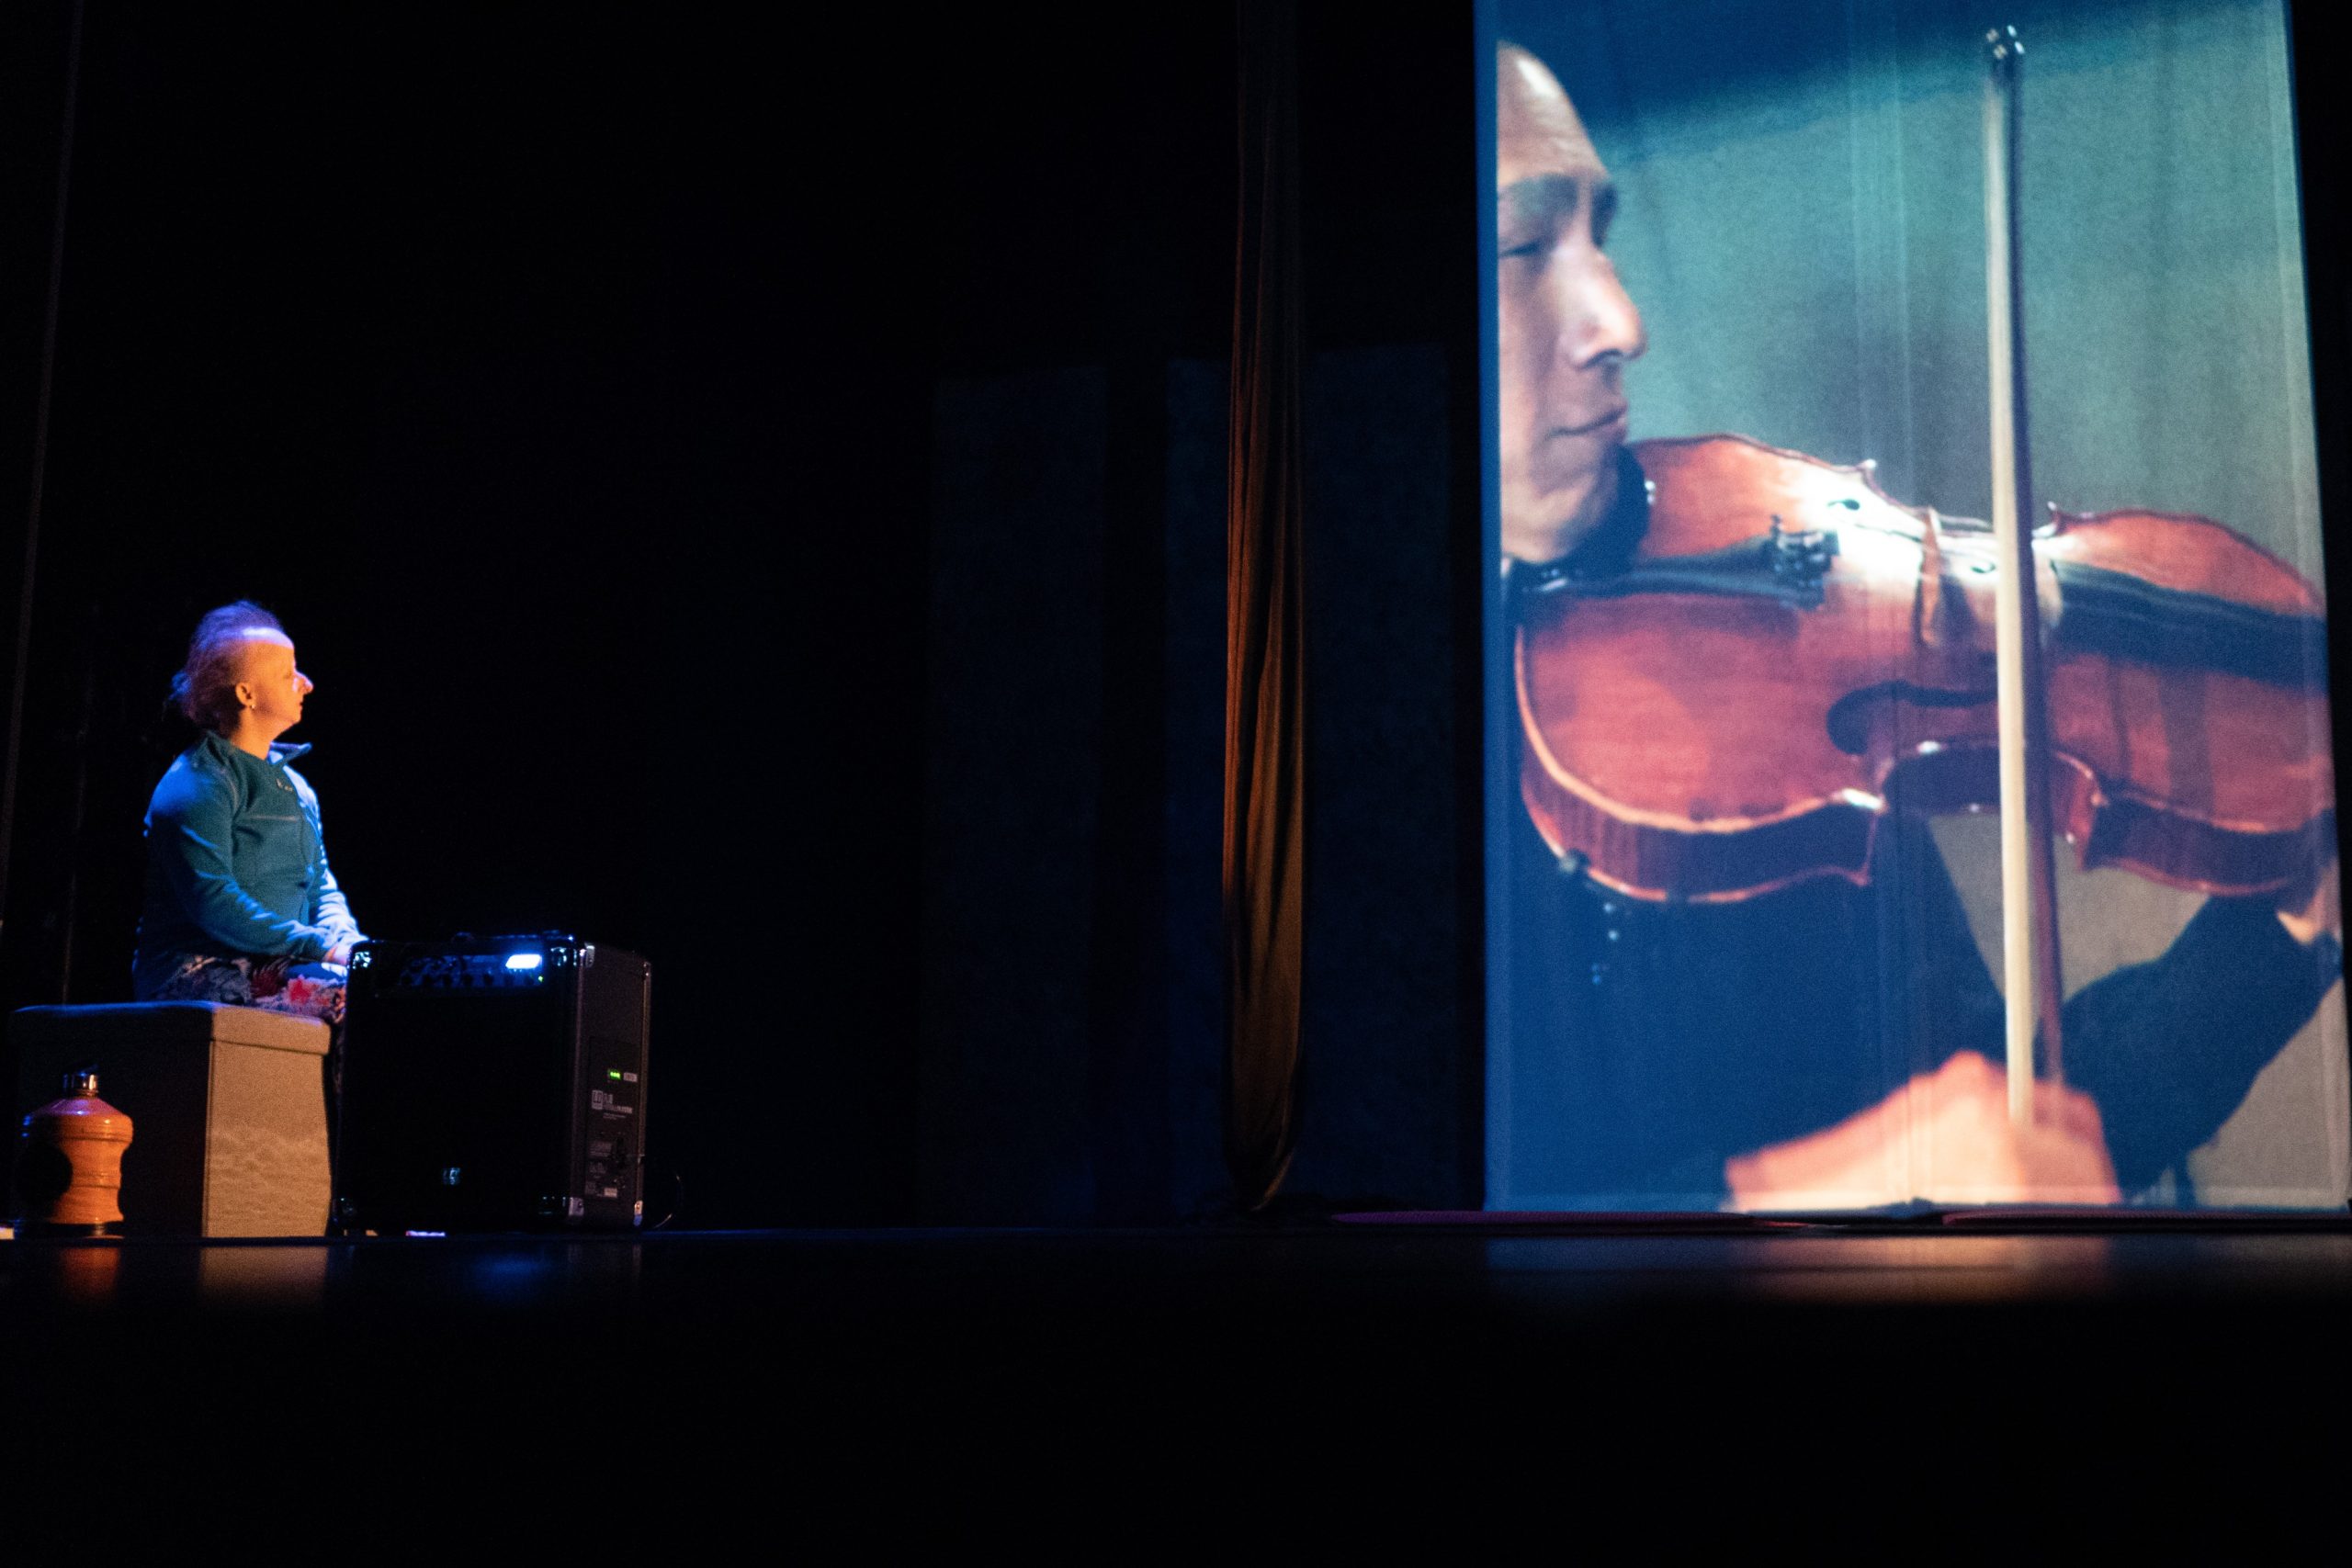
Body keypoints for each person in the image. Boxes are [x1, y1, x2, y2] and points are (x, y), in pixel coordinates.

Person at [1493, 43, 2342, 1208]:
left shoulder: (1791, 694)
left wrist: (2286, 932)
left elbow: (2006, 1137)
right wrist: (1807, 1184)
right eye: (1521, 247)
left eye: (1601, 234)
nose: (1619, 320)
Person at [132, 602, 364, 1026]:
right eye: (287, 674)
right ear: (246, 694)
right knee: (348, 1003)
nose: (306, 684)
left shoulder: (297, 788)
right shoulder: (199, 784)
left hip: (281, 963)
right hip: (198, 970)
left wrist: (350, 944)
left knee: (380, 991)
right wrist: (323, 948)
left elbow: (321, 889)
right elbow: (214, 902)